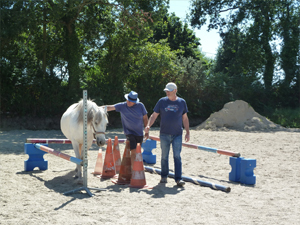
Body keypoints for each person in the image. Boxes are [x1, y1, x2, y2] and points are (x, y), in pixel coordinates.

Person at [144, 82, 190, 186]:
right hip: (164, 134)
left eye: (169, 91)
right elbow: (154, 115)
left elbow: (185, 118)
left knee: (177, 156)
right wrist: (148, 125)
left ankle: (179, 179)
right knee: (164, 156)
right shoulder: (162, 101)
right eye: (166, 91)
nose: (167, 92)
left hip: (177, 134)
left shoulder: (182, 102)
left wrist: (187, 132)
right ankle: (164, 177)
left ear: (175, 91)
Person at [106, 91, 149, 167]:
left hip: (139, 133)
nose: (128, 102)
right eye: (128, 100)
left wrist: (147, 131)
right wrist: (97, 108)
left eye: (131, 101)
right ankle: (133, 169)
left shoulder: (141, 106)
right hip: (129, 133)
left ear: (135, 102)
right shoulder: (122, 106)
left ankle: (135, 167)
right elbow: (110, 107)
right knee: (133, 151)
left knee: (137, 151)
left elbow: (145, 117)